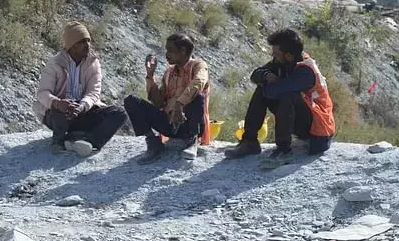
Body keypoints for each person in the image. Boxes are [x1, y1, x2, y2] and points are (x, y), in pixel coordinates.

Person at [224, 28, 335, 164]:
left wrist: (267, 83)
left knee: (287, 94)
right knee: (262, 90)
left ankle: (284, 150)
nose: (273, 55)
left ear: (288, 55)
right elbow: (255, 75)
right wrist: (266, 75)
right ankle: (249, 141)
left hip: (318, 131)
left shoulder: (305, 71)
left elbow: (275, 91)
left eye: (276, 53)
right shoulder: (284, 62)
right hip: (303, 119)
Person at [32, 21, 127, 156]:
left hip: (83, 109)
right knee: (58, 115)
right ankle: (59, 142)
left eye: (88, 41)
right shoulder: (55, 63)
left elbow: (94, 92)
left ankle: (89, 142)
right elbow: (42, 93)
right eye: (81, 42)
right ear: (71, 45)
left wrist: (82, 106)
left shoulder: (93, 63)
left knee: (119, 113)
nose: (87, 45)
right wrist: (58, 103)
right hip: (60, 111)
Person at [124, 34, 209, 165]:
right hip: (170, 124)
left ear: (183, 51)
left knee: (198, 97)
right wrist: (150, 75)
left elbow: (199, 82)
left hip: (188, 123)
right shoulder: (169, 72)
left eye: (170, 50)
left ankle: (192, 141)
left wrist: (179, 104)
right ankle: (153, 143)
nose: (166, 54)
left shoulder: (198, 65)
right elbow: (158, 103)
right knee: (131, 101)